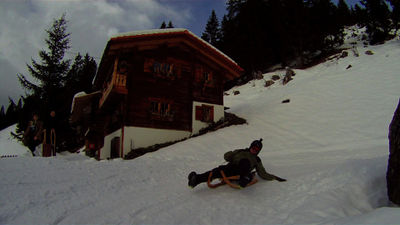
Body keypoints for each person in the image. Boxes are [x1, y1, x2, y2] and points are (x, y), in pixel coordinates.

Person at [188, 139, 286, 189]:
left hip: (243, 172)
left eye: (256, 149)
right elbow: (227, 157)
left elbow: (262, 173)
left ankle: (245, 179)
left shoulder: (256, 159)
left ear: (258, 151)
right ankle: (196, 179)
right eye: (253, 147)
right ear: (250, 146)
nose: (254, 150)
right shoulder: (241, 151)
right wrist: (230, 154)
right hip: (231, 168)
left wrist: (274, 177)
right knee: (217, 170)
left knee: (245, 163)